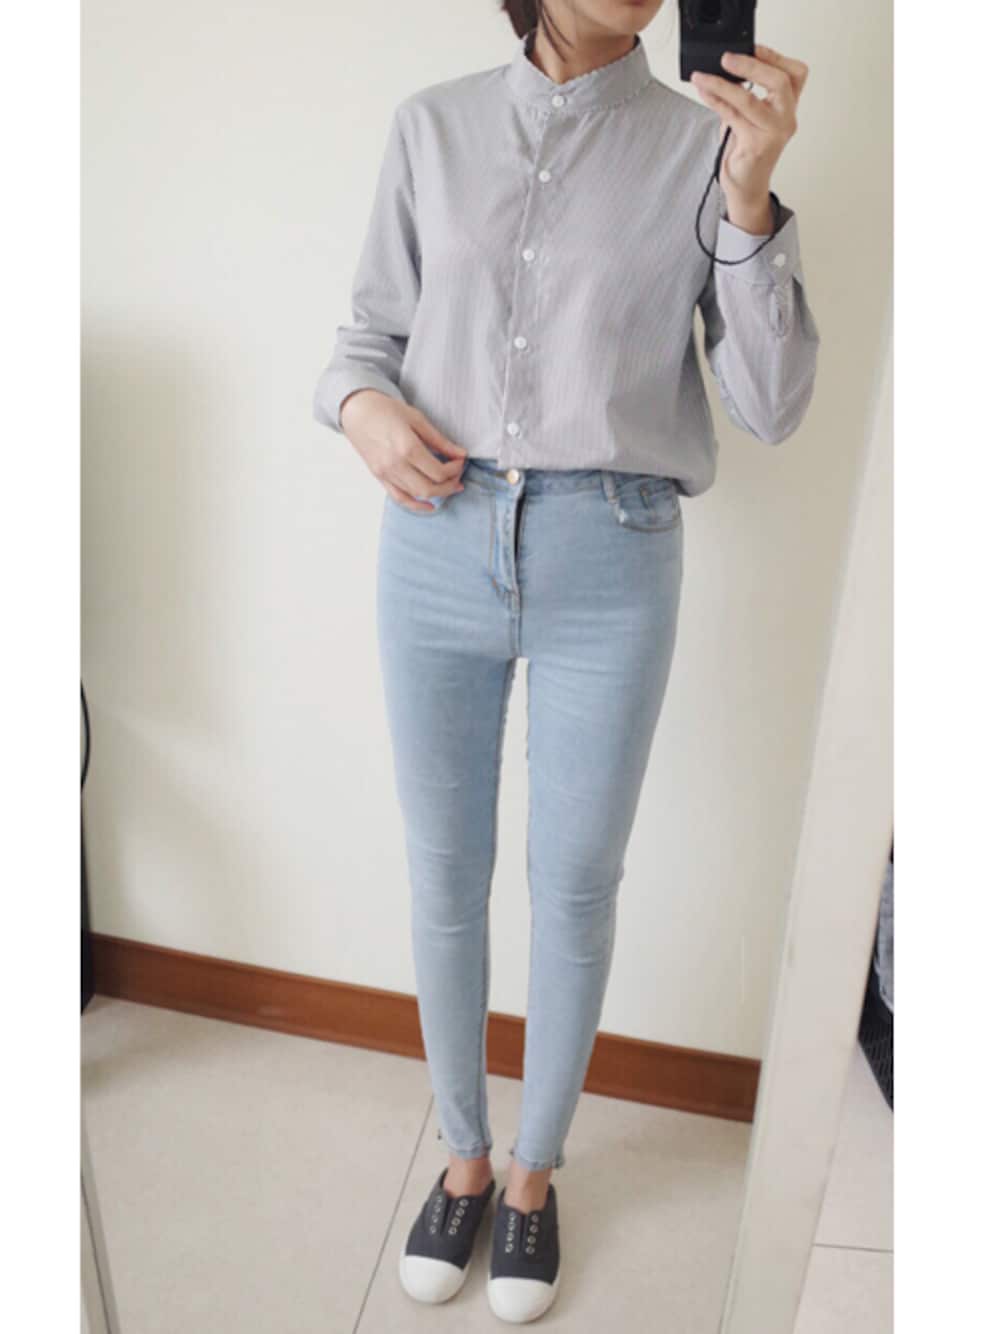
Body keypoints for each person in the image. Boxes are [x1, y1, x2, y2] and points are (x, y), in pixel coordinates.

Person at [312, 1, 819, 1322]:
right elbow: (363, 340)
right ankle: (462, 1156)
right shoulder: (431, 129)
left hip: (616, 545)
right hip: (435, 536)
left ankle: (534, 1172)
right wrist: (362, 410)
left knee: (575, 884)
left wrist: (752, 196)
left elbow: (771, 403)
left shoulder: (703, 147)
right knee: (444, 871)